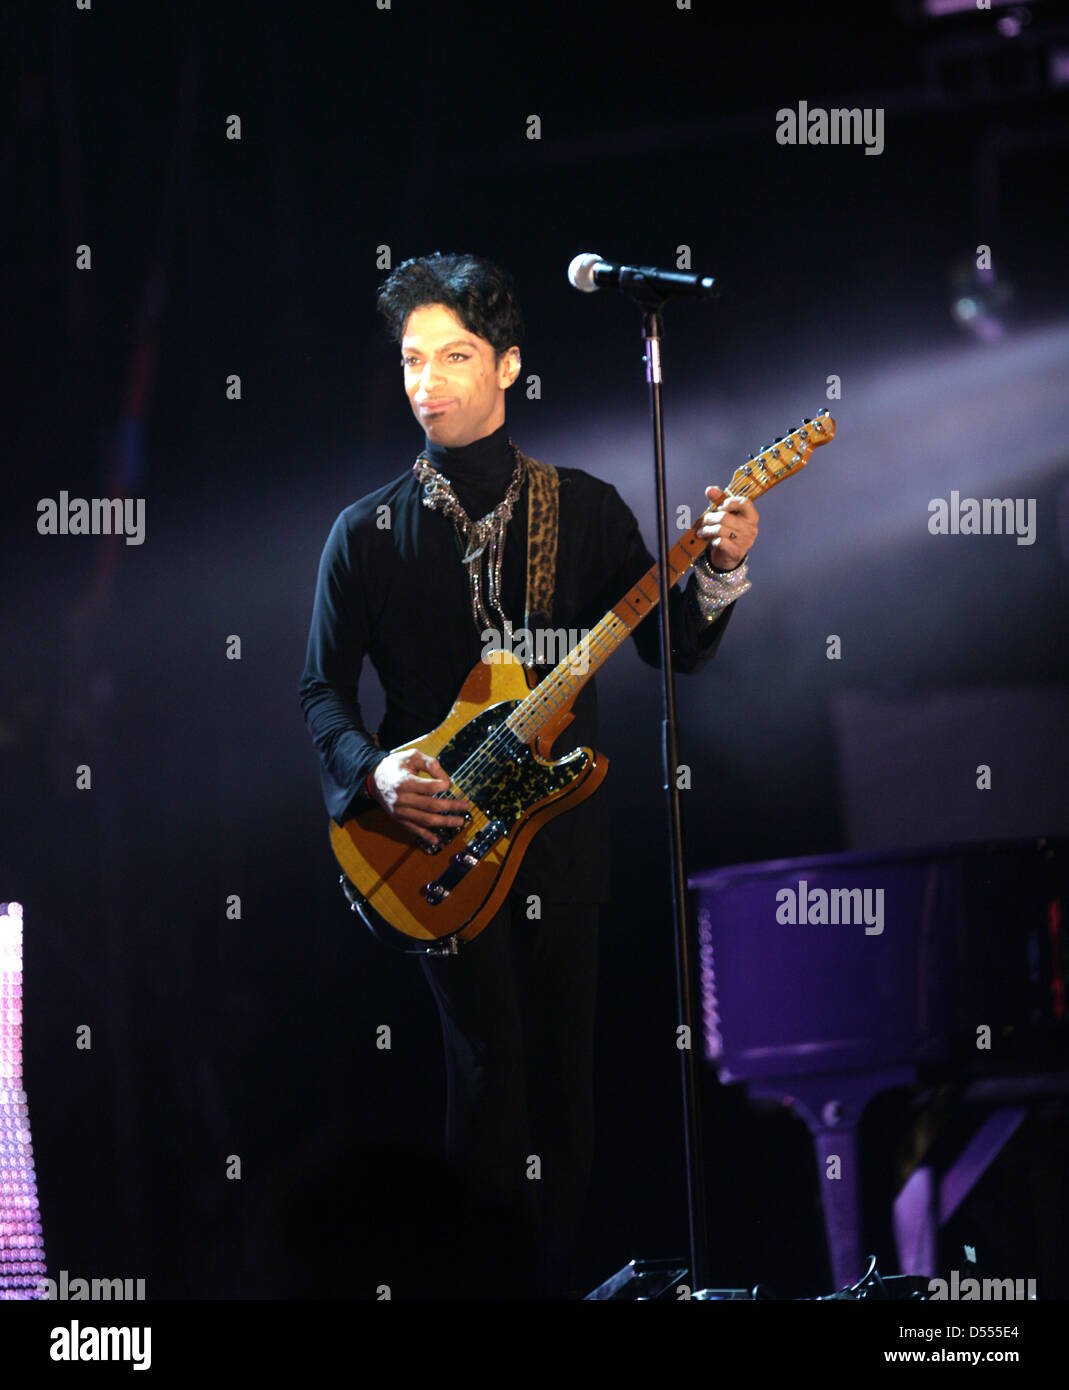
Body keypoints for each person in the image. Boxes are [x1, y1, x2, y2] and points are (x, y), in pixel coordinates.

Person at [299, 251, 759, 1296]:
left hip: (562, 835)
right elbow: (317, 691)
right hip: (435, 839)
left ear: (508, 365)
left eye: (455, 356)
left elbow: (670, 649)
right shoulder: (362, 533)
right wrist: (371, 776)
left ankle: (557, 1281)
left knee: (565, 1082)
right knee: (489, 1069)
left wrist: (720, 567)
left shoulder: (585, 507)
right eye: (413, 359)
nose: (428, 380)